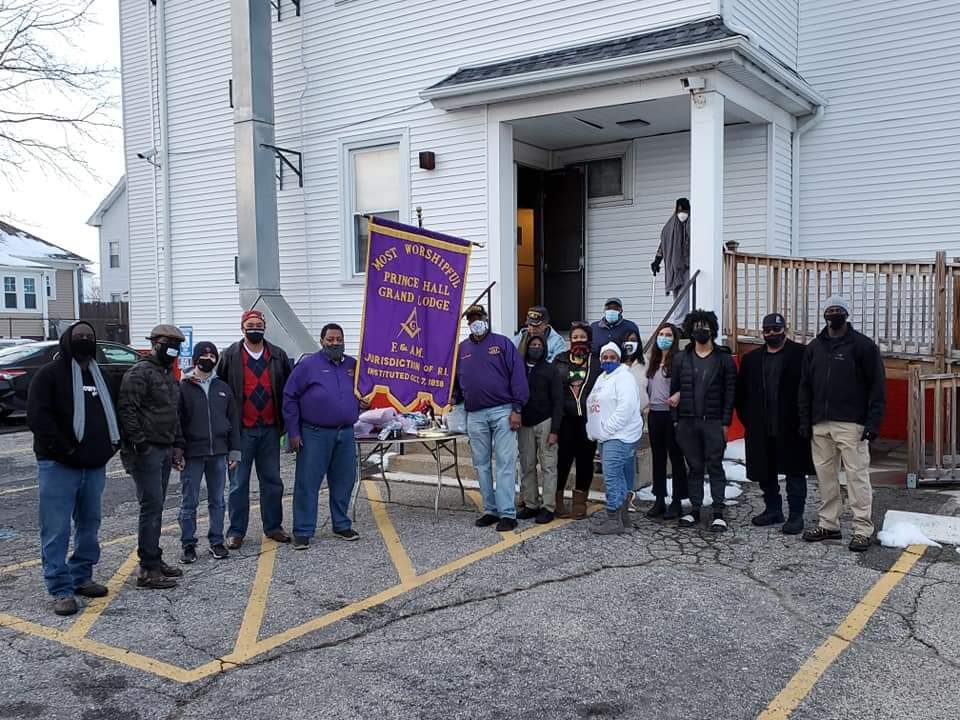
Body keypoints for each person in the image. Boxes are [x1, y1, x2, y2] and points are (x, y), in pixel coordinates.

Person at [27, 322, 120, 616]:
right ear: (67, 340)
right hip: (58, 465)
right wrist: (66, 450)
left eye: (89, 337)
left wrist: (111, 447)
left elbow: (114, 413)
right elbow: (38, 418)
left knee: (90, 525)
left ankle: (81, 576)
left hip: (93, 466)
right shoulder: (49, 375)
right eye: (79, 336)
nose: (84, 340)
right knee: (56, 529)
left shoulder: (102, 376)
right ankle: (60, 588)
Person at [799, 296, 886, 552]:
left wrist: (873, 421)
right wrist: (805, 419)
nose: (834, 314)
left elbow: (877, 386)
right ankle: (829, 524)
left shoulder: (863, 346)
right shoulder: (814, 348)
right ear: (824, 315)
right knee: (825, 477)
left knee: (856, 478)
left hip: (851, 424)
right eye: (830, 310)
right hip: (820, 424)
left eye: (838, 310)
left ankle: (862, 529)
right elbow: (805, 386)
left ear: (847, 314)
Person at [217, 309, 293, 548]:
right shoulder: (229, 355)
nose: (255, 329)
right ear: (242, 328)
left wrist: (288, 425)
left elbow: (289, 390)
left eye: (259, 325)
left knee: (272, 481)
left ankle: (273, 527)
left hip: (270, 430)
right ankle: (236, 531)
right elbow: (219, 390)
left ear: (265, 327)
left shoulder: (278, 355)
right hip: (240, 432)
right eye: (250, 325)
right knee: (238, 484)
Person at [118, 324, 186, 590]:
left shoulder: (168, 374)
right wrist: (141, 444)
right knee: (151, 507)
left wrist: (177, 444)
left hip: (165, 448)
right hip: (146, 452)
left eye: (177, 345)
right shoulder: (139, 372)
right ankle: (148, 568)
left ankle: (153, 558)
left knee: (157, 507)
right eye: (168, 344)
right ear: (155, 344)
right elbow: (127, 411)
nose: (173, 349)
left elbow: (174, 412)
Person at [284, 324, 362, 549]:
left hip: (345, 433)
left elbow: (363, 392)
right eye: (330, 339)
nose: (335, 343)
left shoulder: (353, 366)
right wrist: (293, 432)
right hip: (315, 434)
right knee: (307, 483)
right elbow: (289, 397)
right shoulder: (307, 366)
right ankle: (303, 531)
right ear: (321, 341)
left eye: (339, 339)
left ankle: (341, 524)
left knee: (344, 481)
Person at [735, 313, 813, 535]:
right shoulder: (751, 360)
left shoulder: (802, 354)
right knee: (765, 470)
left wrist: (806, 420)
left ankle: (796, 515)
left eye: (776, 329)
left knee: (795, 472)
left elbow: (811, 389)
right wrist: (749, 421)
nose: (771, 333)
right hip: (761, 427)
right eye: (767, 330)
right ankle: (773, 510)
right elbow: (741, 395)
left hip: (792, 426)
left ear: (784, 330)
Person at [454, 304, 529, 532]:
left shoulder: (502, 343)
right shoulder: (462, 349)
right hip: (474, 413)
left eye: (478, 317)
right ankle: (490, 509)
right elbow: (455, 382)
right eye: (471, 319)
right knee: (481, 464)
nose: (475, 322)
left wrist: (517, 408)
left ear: (486, 319)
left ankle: (507, 513)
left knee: (505, 462)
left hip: (503, 411)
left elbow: (518, 375)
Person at [669, 310, 736, 532]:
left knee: (715, 466)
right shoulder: (681, 359)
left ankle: (718, 512)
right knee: (695, 467)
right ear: (690, 330)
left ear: (712, 330)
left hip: (713, 422)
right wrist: (676, 421)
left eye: (705, 326)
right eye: (696, 326)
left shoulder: (724, 359)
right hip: (688, 422)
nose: (701, 330)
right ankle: (695, 509)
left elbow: (730, 393)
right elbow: (674, 390)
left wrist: (725, 423)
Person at [175, 341, 240, 563]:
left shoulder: (223, 387)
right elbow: (177, 422)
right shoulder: (183, 387)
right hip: (192, 454)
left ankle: (216, 541)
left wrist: (234, 451)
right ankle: (188, 544)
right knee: (189, 502)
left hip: (219, 453)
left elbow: (233, 421)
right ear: (195, 359)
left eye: (212, 356)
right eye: (204, 355)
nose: (208, 359)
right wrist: (178, 451)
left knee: (218, 500)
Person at [586, 342, 643, 534]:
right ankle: (623, 518)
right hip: (606, 436)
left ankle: (613, 518)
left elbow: (626, 408)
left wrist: (607, 428)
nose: (608, 360)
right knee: (618, 476)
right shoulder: (602, 377)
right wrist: (593, 429)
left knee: (612, 477)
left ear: (619, 359)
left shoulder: (624, 377)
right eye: (605, 357)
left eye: (612, 357)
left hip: (619, 435)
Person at [554, 322, 601, 520]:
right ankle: (557, 500)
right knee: (562, 460)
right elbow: (553, 389)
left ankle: (580, 501)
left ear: (589, 339)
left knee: (585, 460)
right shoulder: (560, 360)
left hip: (588, 420)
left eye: (582, 337)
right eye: (575, 337)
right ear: (570, 340)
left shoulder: (597, 362)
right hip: (565, 420)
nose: (578, 340)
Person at [517, 335, 563, 524]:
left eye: (539, 345)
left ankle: (548, 507)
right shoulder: (518, 368)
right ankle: (531, 504)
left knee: (548, 466)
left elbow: (558, 401)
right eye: (533, 344)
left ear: (544, 348)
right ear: (527, 346)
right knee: (527, 465)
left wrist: (555, 430)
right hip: (524, 424)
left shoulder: (550, 370)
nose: (536, 347)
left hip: (545, 422)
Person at [645, 322, 689, 519]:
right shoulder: (652, 361)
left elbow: (687, 384)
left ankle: (677, 501)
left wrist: (679, 395)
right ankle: (659, 499)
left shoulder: (680, 360)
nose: (664, 338)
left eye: (668, 335)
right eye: (661, 334)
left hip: (672, 415)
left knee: (676, 457)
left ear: (675, 338)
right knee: (658, 458)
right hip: (654, 414)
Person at [652, 198, 691, 324]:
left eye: (685, 211)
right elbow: (663, 245)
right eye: (680, 211)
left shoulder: (694, 224)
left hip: (689, 266)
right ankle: (681, 323)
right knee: (678, 296)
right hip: (674, 268)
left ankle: (680, 324)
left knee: (684, 295)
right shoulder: (670, 227)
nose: (682, 214)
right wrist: (657, 261)